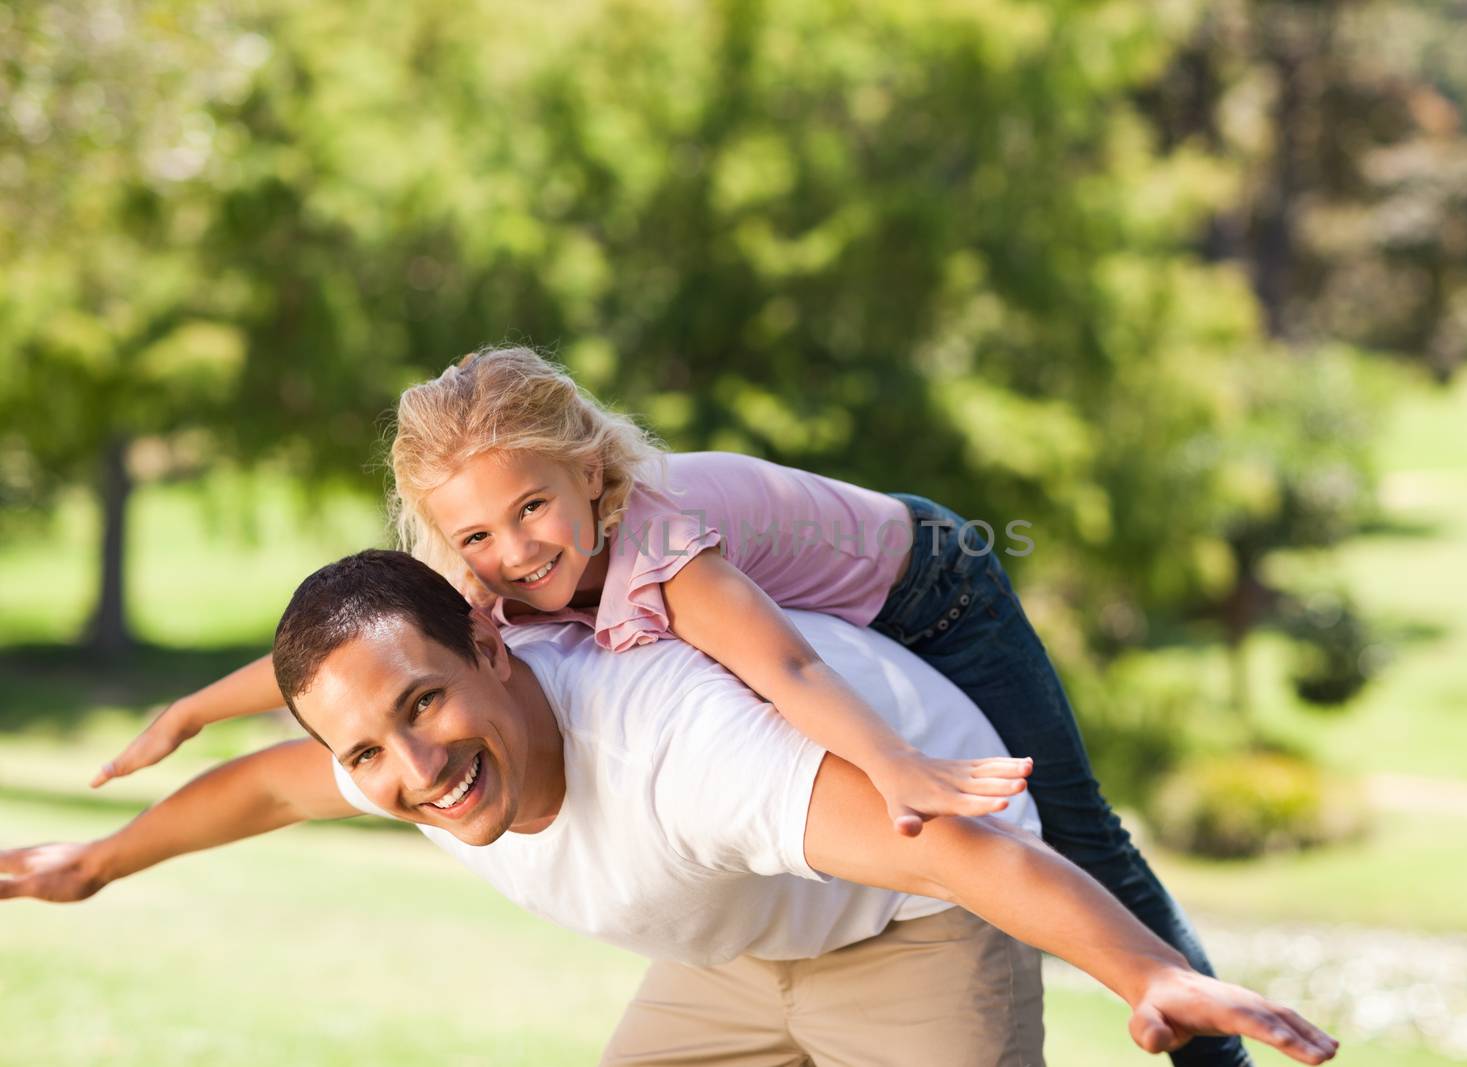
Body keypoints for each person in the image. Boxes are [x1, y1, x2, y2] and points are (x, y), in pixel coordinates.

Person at [93, 345, 1245, 1065]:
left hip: (930, 590)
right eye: (476, 536)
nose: (512, 550)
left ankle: (1199, 1029)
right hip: (800, 669)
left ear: (592, 472)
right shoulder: (489, 583)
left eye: (533, 508)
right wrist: (194, 707)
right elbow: (348, 658)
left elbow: (790, 672)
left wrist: (896, 764)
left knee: (1079, 832)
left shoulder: (667, 553)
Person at [11, 551, 1339, 1066]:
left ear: (493, 642)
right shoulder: (393, 766)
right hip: (739, 948)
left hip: (909, 918)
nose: (411, 769)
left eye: (422, 704)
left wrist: (1149, 971)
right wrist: (101, 860)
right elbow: (258, 783)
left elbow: (964, 849)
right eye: (364, 749)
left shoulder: (679, 743)